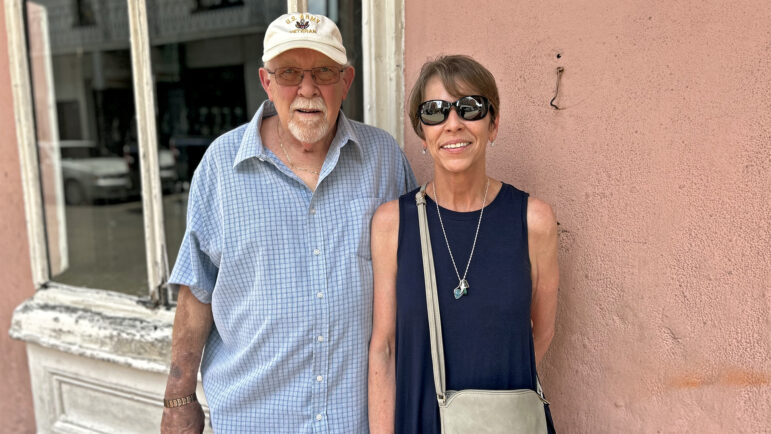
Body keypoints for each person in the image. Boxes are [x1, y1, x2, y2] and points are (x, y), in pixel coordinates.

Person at [161, 12, 417, 434]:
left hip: (359, 420)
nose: (308, 88)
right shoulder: (221, 167)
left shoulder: (384, 160)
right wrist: (179, 397)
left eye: (323, 72)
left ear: (347, 80)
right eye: (289, 73)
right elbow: (197, 290)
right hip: (254, 419)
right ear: (266, 81)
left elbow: (413, 288)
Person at [368, 55, 559, 433]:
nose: (453, 123)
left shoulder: (532, 220)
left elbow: (542, 331)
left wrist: (490, 406)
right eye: (435, 111)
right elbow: (384, 349)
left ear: (493, 123)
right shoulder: (393, 223)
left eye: (469, 108)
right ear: (422, 132)